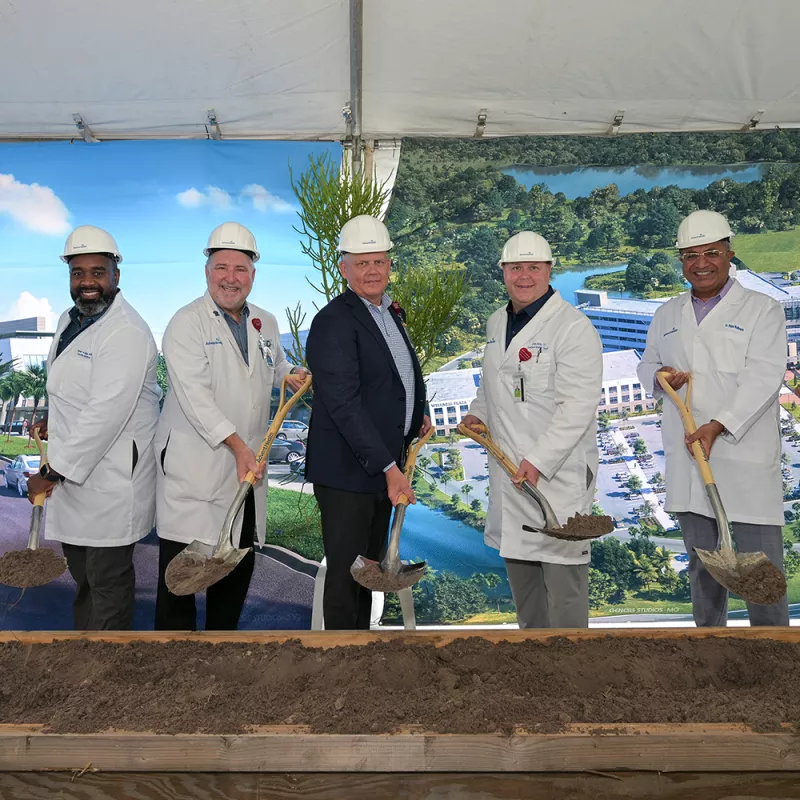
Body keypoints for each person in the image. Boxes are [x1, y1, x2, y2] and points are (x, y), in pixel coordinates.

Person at [637, 209, 789, 627]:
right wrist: (659, 375)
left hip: (744, 456)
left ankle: (773, 657)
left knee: (761, 571)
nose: (701, 263)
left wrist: (718, 424)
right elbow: (647, 363)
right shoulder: (667, 313)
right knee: (703, 570)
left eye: (711, 252)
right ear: (681, 260)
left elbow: (764, 376)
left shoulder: (763, 309)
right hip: (691, 458)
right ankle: (709, 653)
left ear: (729, 254)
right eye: (690, 255)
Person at [154, 222, 308, 630]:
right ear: (207, 272)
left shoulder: (265, 322)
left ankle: (222, 659)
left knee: (233, 582)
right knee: (179, 586)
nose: (230, 278)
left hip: (244, 472)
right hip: (196, 469)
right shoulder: (186, 323)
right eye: (221, 268)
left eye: (240, 270)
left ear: (253, 275)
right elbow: (194, 397)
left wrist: (290, 373)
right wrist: (239, 446)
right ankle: (171, 671)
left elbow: (271, 366)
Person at [461, 231, 602, 628]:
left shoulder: (573, 329)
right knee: (525, 591)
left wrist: (538, 461)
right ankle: (536, 674)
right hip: (511, 475)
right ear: (503, 272)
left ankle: (573, 678)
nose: (524, 276)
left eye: (533, 267)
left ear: (549, 271)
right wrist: (478, 414)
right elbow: (494, 386)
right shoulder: (495, 322)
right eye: (515, 267)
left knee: (565, 593)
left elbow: (577, 408)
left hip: (556, 478)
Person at [26, 225, 161, 630]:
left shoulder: (127, 331)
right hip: (80, 470)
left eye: (97, 272)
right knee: (85, 579)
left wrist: (50, 474)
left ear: (115, 275)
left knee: (107, 582)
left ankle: (107, 670)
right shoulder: (71, 319)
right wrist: (57, 415)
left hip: (112, 479)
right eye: (78, 272)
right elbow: (76, 386)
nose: (87, 282)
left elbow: (106, 412)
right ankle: (84, 655)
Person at [304, 215, 430, 630]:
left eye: (379, 261)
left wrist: (418, 415)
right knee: (346, 575)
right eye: (362, 263)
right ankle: (341, 662)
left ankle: (361, 653)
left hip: (377, 469)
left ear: (390, 265)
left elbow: (397, 377)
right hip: (347, 473)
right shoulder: (333, 322)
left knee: (369, 572)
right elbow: (344, 404)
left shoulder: (386, 312)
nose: (372, 271)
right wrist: (390, 468)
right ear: (344, 268)